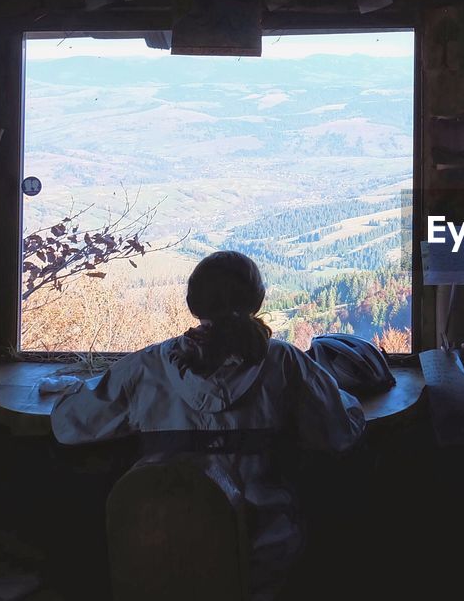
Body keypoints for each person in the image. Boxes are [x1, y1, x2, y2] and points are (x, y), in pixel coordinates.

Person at [51, 251, 366, 600]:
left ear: (192, 303)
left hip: (157, 548)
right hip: (263, 546)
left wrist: (70, 388)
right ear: (257, 301)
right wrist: (346, 396)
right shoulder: (284, 363)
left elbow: (69, 425)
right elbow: (340, 433)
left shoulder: (147, 367)